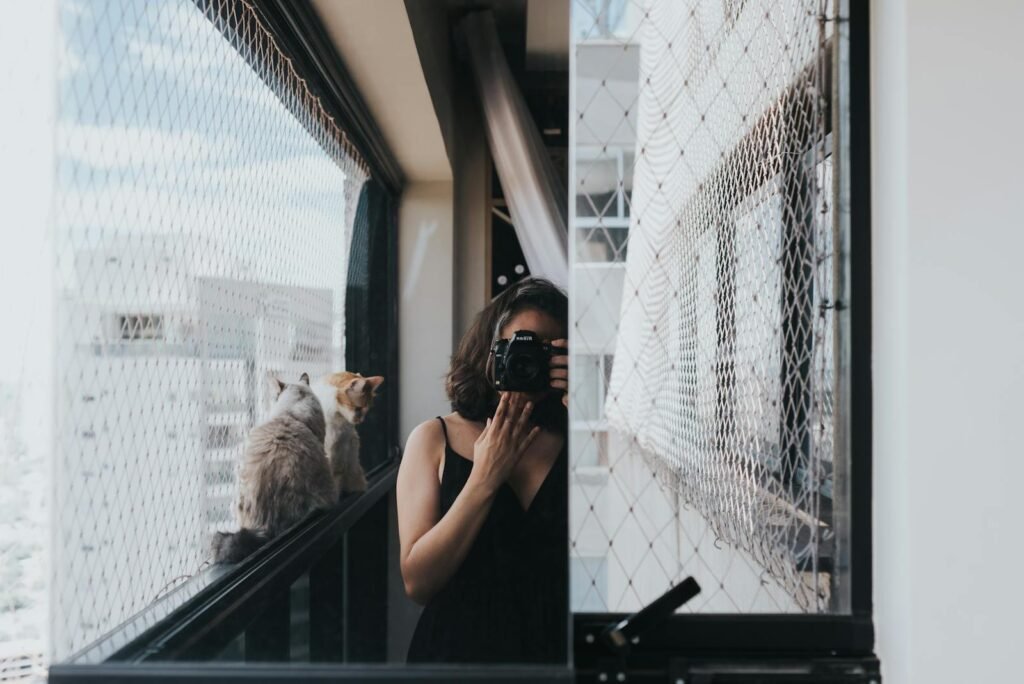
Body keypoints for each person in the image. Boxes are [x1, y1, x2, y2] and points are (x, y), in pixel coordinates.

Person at [398, 278, 569, 663]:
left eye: (545, 352)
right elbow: (418, 583)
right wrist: (484, 477)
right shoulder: (433, 439)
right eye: (519, 346)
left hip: (555, 658)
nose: (529, 362)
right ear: (491, 352)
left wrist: (590, 407)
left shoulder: (580, 441)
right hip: (456, 659)